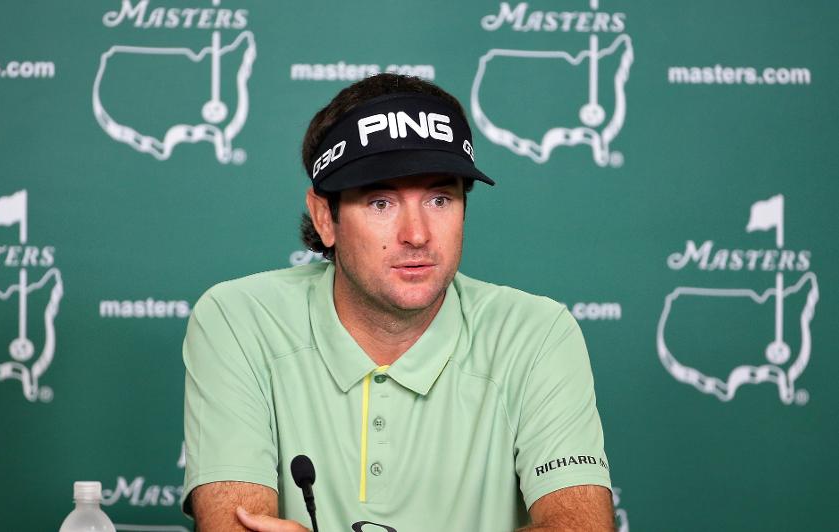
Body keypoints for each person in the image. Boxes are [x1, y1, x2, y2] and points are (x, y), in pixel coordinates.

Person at [182, 73, 614, 531]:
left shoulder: (537, 333)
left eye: (440, 199)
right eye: (381, 202)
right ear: (325, 216)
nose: (417, 234)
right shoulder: (238, 320)